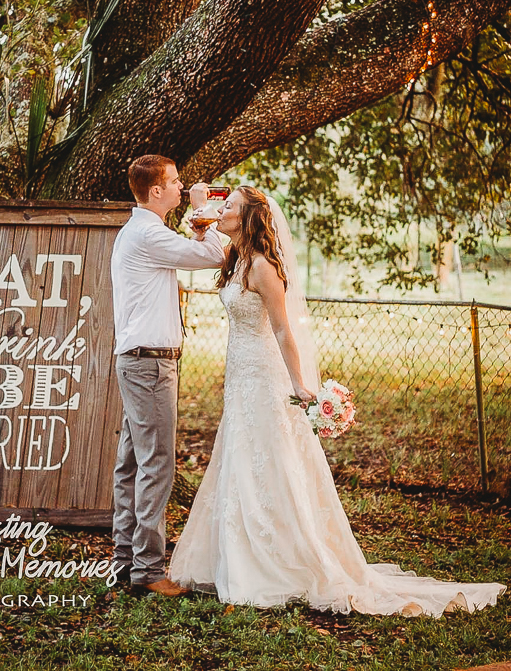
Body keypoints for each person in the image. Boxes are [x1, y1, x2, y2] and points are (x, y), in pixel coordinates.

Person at [170, 186, 506, 615]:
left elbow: (282, 330)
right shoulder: (235, 258)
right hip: (240, 378)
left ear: (250, 218)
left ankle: (278, 562)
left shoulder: (262, 266)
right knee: (241, 459)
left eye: (229, 206)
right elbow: (202, 237)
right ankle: (239, 558)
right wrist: (201, 209)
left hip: (266, 378)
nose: (222, 211)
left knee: (271, 461)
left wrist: (301, 386)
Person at [110, 154, 224, 597]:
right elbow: (213, 255)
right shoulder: (147, 234)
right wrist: (203, 212)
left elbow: (184, 248)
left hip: (137, 360)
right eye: (176, 182)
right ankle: (148, 570)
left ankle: (126, 557)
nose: (181, 186)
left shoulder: (140, 232)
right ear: (156, 191)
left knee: (132, 463)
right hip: (151, 364)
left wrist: (193, 222)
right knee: (156, 463)